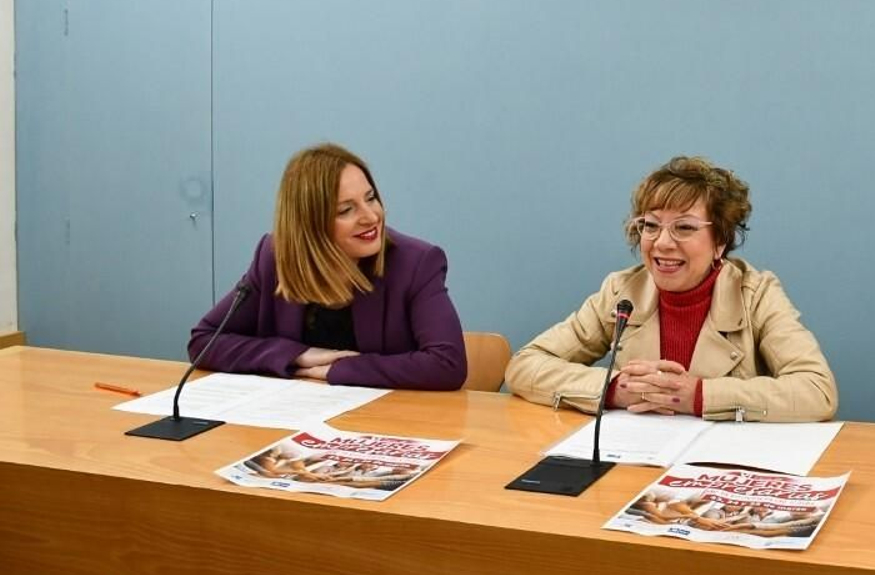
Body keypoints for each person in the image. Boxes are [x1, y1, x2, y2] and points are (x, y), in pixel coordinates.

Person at [506, 156, 837, 421]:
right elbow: (524, 365)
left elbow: (817, 390)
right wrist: (613, 388)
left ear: (720, 241)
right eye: (651, 225)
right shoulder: (622, 292)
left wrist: (699, 395)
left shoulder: (756, 293)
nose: (662, 242)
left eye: (684, 228)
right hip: (634, 463)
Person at [188, 143, 467, 390]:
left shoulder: (416, 263)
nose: (371, 217)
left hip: (385, 420)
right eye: (346, 210)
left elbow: (447, 364)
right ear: (309, 224)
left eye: (370, 198)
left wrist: (339, 369)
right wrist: (298, 355)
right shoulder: (274, 258)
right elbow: (204, 341)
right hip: (293, 416)